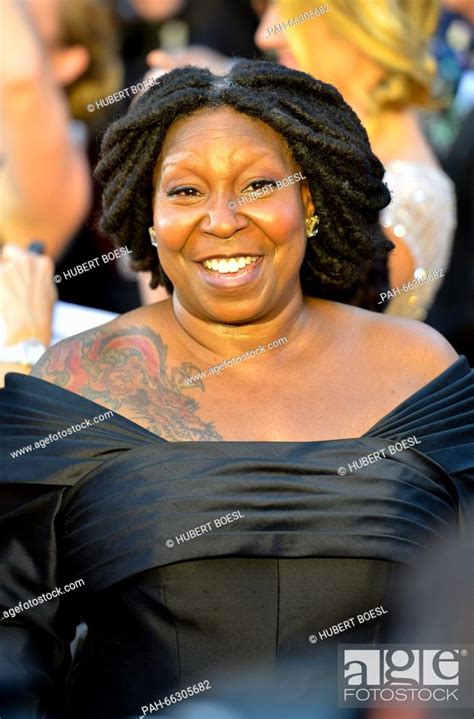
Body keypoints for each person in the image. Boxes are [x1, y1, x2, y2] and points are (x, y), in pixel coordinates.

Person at [1, 61, 472, 719]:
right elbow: (12, 656)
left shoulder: (425, 376)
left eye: (256, 184)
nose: (221, 220)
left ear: (307, 204)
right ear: (150, 213)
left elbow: (460, 648)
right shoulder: (70, 383)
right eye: (187, 192)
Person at [255, 0, 456, 320]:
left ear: (361, 27)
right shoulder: (315, 142)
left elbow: (283, 351)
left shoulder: (406, 201)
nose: (266, 35)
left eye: (290, 11)